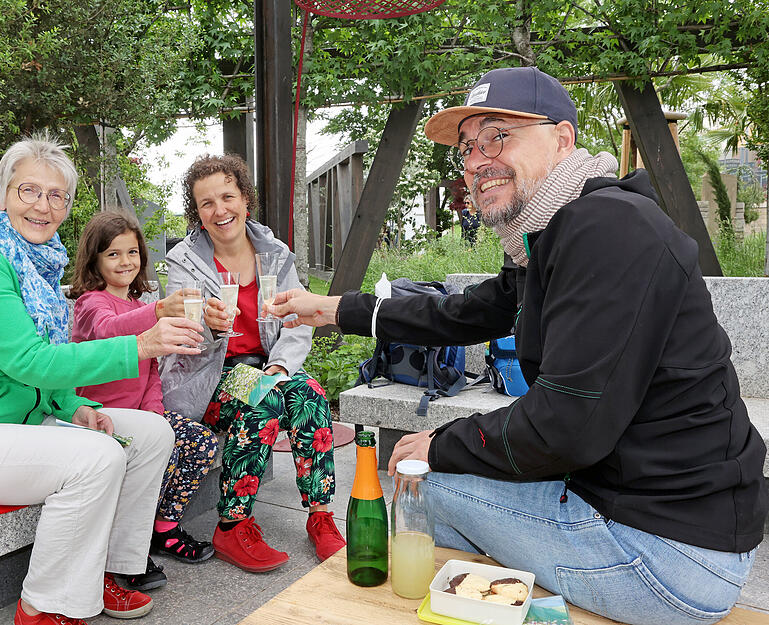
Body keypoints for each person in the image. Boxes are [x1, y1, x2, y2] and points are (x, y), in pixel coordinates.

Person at [268, 66, 768, 625]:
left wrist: (439, 443)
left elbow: (565, 426)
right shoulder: (555, 233)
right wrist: (338, 309)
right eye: (467, 148)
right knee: (450, 475)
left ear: (562, 138)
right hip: (647, 506)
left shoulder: (608, 232)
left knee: (426, 486)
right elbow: (468, 311)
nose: (478, 161)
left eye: (499, 135)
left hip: (667, 553)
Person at [0, 134, 205, 625]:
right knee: (96, 457)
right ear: (3, 197)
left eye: (56, 195)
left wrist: (72, 407)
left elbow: (47, 371)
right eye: (29, 191)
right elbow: (30, 361)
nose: (43, 206)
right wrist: (142, 345)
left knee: (150, 433)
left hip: (13, 427)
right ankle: (43, 608)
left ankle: (104, 570)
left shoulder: (37, 267)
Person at [159, 154, 346, 573]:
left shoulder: (274, 255)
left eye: (228, 196)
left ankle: (320, 514)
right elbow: (181, 335)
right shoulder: (183, 262)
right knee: (262, 399)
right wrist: (205, 325)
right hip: (209, 376)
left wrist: (279, 368)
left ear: (246, 199)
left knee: (310, 393)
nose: (219, 210)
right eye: (206, 203)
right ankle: (233, 523)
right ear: (197, 213)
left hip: (266, 367)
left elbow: (297, 319)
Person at [69, 210, 218, 591]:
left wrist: (156, 416)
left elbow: (151, 371)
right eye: (113, 254)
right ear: (95, 260)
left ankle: (163, 527)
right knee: (146, 450)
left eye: (132, 252)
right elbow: (108, 332)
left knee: (198, 441)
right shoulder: (91, 304)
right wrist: (157, 311)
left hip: (140, 415)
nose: (125, 262)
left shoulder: (139, 306)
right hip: (98, 416)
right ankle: (125, 548)